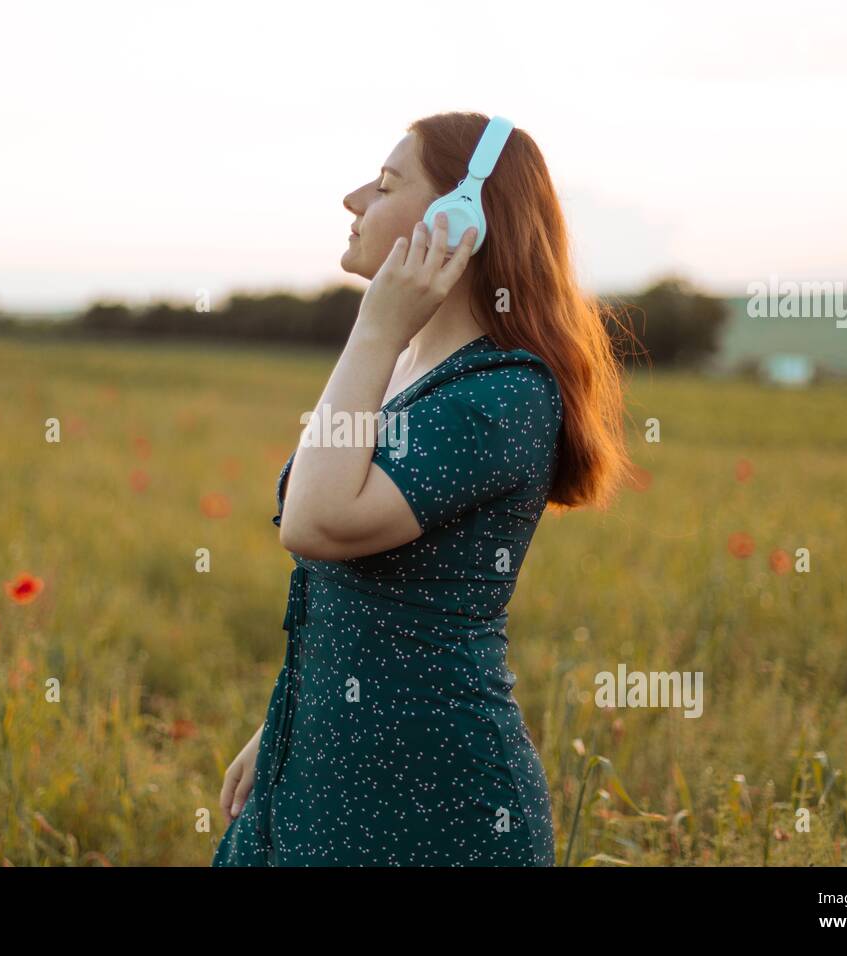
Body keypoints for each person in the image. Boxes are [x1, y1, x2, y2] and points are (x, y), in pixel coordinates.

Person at [213, 111, 631, 866]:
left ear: (460, 220)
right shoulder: (409, 372)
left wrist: (374, 329)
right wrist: (284, 731)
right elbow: (354, 600)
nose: (351, 201)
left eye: (383, 184)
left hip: (435, 805)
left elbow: (314, 521)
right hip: (334, 771)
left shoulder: (504, 394)